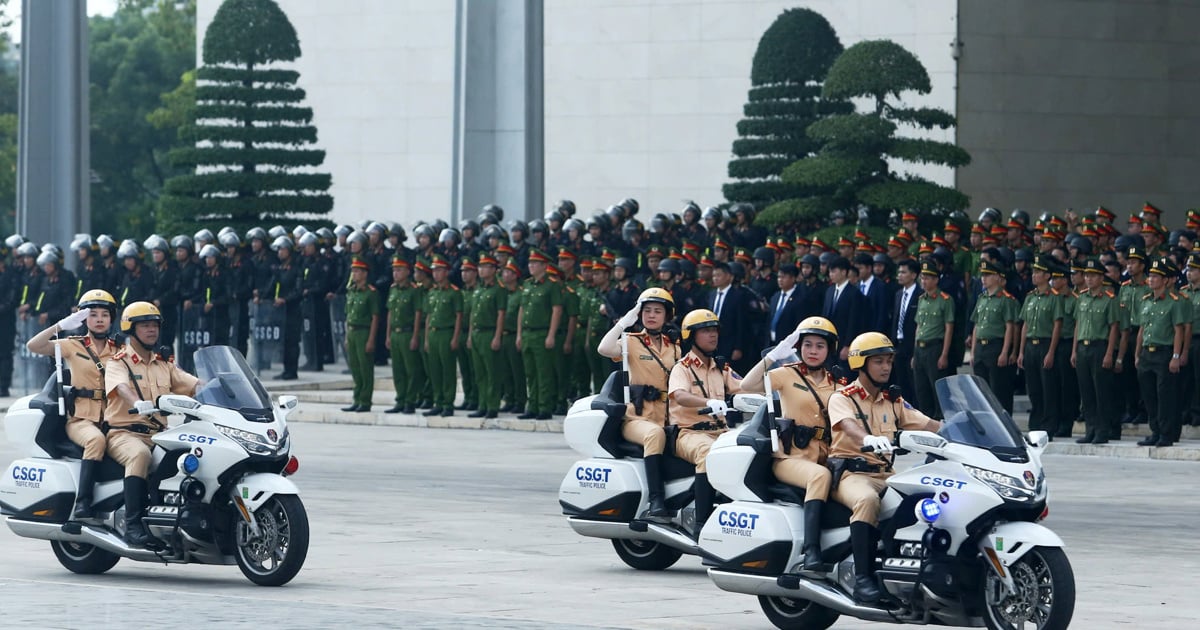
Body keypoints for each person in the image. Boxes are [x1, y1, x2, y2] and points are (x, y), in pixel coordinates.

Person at [827, 332, 941, 603]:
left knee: (925, 497)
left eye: (888, 361)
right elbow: (848, 426)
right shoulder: (843, 397)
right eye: (878, 361)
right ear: (861, 364)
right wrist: (866, 439)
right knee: (867, 501)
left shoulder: (893, 400)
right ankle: (863, 580)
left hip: (886, 475)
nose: (886, 367)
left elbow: (929, 425)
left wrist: (969, 432)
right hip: (851, 475)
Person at [740, 316, 840, 573]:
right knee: (819, 477)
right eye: (808, 345)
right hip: (790, 458)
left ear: (830, 349)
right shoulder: (786, 374)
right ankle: (811, 550)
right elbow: (746, 385)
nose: (813, 351)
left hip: (827, 454)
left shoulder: (838, 383)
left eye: (820, 345)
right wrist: (773, 356)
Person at [103, 302, 201, 546]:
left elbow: (194, 384)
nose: (152, 330)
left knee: (197, 454)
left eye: (155, 325)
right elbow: (121, 387)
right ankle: (133, 526)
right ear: (130, 329)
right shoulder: (119, 361)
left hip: (159, 433)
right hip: (124, 434)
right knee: (140, 456)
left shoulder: (163, 364)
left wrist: (223, 390)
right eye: (145, 325)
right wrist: (138, 403)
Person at [26, 290, 119, 519]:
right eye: (93, 314)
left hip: (112, 417)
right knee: (95, 440)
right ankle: (83, 503)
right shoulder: (72, 345)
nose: (99, 319)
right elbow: (33, 345)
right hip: (80, 419)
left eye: (104, 314)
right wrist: (60, 326)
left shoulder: (119, 350)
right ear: (84, 319)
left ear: (111, 318)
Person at [597, 288, 681, 520]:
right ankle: (656, 500)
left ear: (667, 316)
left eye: (657, 311)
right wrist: (626, 320)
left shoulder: (674, 347)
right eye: (646, 311)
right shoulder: (631, 342)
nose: (651, 315)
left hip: (668, 415)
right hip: (637, 418)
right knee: (654, 435)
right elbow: (604, 348)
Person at [668, 309, 742, 537]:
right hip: (689, 433)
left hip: (721, 432)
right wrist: (708, 402)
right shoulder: (682, 367)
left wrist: (772, 385)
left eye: (715, 331)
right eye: (706, 331)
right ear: (691, 336)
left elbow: (744, 386)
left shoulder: (720, 367)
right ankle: (701, 524)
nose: (713, 336)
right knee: (708, 454)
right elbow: (679, 395)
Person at [1135, 258, 1188, 447]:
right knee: (1149, 396)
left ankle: (1166, 433)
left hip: (1163, 353)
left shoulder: (1174, 302)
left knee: (1164, 395)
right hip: (1146, 354)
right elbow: (1142, 329)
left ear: (1166, 281)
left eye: (1156, 277)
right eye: (1150, 276)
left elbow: (1179, 330)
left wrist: (1176, 355)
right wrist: (1137, 353)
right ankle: (1155, 431)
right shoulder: (1146, 301)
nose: (1151, 279)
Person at [1071, 258, 1120, 444]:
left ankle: (1103, 430)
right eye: (1086, 275)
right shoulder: (1082, 298)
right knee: (1087, 392)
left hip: (1100, 346)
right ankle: (1090, 429)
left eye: (1093, 276)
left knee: (1102, 391)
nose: (1089, 279)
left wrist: (1109, 353)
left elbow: (1114, 328)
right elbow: (1078, 325)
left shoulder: (1109, 300)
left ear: (1101, 278)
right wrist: (1074, 350)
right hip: (1083, 347)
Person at [967, 259, 1020, 414]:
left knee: (999, 390)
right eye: (983, 275)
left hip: (996, 345)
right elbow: (977, 325)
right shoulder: (981, 298)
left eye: (988, 275)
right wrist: (973, 351)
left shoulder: (1006, 299)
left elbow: (1010, 327)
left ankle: (1003, 425)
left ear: (998, 277)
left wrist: (1005, 352)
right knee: (981, 391)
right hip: (981, 348)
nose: (984, 278)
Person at [516, 249, 563, 420]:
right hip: (528, 333)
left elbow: (556, 310)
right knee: (530, 373)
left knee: (544, 372)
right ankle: (532, 405)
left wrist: (551, 334)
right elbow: (522, 310)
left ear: (544, 266)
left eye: (535, 263)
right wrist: (519, 334)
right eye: (530, 263)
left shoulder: (551, 285)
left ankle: (545, 407)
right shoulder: (527, 285)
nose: (531, 266)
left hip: (542, 333)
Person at [912, 261, 955, 418]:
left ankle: (940, 420)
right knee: (922, 389)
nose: (924, 281)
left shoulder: (945, 299)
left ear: (936, 280)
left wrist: (944, 354)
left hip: (934, 348)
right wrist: (914, 353)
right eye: (922, 278)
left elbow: (949, 328)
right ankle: (926, 420)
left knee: (937, 389)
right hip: (920, 349)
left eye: (928, 278)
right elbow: (918, 327)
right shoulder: (921, 299)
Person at [422, 257, 464, 417]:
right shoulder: (432, 292)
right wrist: (426, 338)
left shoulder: (454, 292)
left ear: (446, 272)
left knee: (448, 370)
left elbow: (459, 316)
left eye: (439, 270)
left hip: (447, 332)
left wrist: (455, 337)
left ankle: (448, 403)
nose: (435, 273)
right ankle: (438, 401)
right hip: (433, 332)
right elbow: (428, 316)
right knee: (435, 370)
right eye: (434, 270)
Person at [466, 254, 506, 419]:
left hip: (489, 332)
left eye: (486, 267)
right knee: (480, 373)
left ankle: (492, 405)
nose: (481, 270)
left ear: (494, 269)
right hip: (476, 333)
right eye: (480, 267)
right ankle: (482, 404)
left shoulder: (499, 289)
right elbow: (473, 315)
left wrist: (497, 336)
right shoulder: (478, 289)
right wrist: (469, 335)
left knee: (492, 373)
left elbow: (500, 314)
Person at [384, 257, 422, 415]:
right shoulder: (393, 289)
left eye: (399, 270)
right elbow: (390, 313)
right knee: (397, 369)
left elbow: (418, 313)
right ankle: (400, 399)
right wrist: (387, 335)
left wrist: (415, 336)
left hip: (407, 332)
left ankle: (410, 400)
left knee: (411, 369)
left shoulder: (414, 290)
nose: (396, 273)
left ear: (408, 272)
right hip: (395, 332)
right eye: (394, 270)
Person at [342, 257, 379, 412]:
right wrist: (346, 336)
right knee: (355, 368)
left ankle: (365, 401)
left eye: (357, 271)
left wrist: (371, 339)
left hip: (364, 332)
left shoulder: (371, 293)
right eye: (353, 271)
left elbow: (375, 317)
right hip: (352, 331)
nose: (354, 274)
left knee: (365, 368)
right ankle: (356, 398)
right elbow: (347, 315)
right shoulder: (352, 291)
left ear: (364, 274)